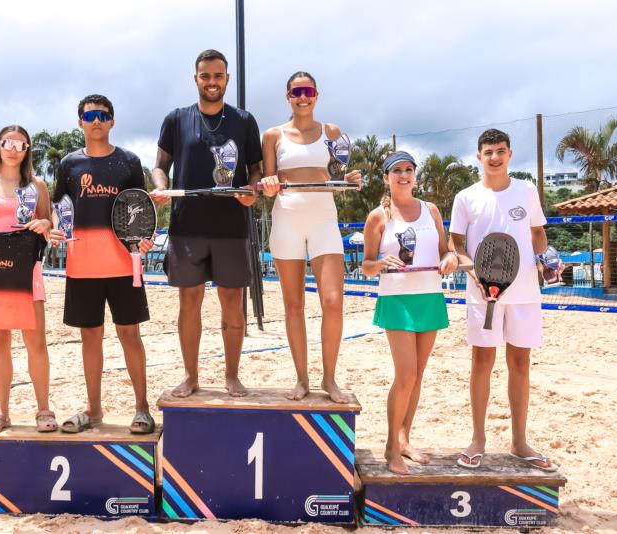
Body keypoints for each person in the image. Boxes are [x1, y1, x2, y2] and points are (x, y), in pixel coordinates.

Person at [150, 49, 262, 398]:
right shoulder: (176, 119)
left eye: (218, 76)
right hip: (188, 226)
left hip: (231, 226)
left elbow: (256, 170)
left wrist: (252, 190)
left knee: (232, 303)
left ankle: (232, 376)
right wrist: (160, 186)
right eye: (205, 76)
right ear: (196, 79)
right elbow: (160, 166)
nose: (212, 82)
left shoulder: (244, 120)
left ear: (227, 78)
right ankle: (191, 376)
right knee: (189, 303)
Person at [450, 129, 557, 471]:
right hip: (483, 294)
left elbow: (538, 234)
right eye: (488, 152)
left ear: (510, 154)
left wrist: (547, 257)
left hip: (524, 292)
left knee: (520, 364)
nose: (494, 157)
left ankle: (519, 442)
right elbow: (456, 243)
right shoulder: (466, 197)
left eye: (500, 151)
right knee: (482, 362)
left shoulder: (526, 190)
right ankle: (478, 440)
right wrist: (475, 276)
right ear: (478, 157)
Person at [52, 94, 155, 434]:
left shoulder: (129, 162)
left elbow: (142, 209)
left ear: (112, 121)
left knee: (130, 335)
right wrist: (54, 229)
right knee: (90, 337)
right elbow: (59, 207)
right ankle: (94, 410)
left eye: (102, 115)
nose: (96, 120)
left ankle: (142, 409)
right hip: (82, 266)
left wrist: (144, 239)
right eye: (89, 115)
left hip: (124, 264)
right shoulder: (68, 164)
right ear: (80, 122)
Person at [259, 71, 362, 403]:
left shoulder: (331, 131)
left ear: (316, 95)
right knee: (294, 306)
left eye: (308, 91)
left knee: (333, 302)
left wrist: (350, 180)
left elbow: (336, 176)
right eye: (296, 92)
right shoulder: (272, 135)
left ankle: (329, 379)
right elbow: (268, 182)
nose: (302, 97)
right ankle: (302, 378)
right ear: (287, 96)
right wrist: (268, 184)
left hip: (323, 219)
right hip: (287, 219)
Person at [361, 150, 457, 474]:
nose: (403, 175)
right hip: (397, 300)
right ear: (386, 177)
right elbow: (366, 266)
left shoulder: (431, 210)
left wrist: (450, 258)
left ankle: (404, 439)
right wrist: (380, 263)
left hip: (429, 296)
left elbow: (445, 251)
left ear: (415, 175)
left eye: (408, 170)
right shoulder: (378, 216)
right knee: (406, 376)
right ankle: (391, 448)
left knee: (417, 376)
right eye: (397, 170)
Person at [0, 125, 56, 435]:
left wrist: (44, 223)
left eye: (20, 144)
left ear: (27, 150)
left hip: (27, 270)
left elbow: (48, 224)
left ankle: (44, 408)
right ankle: (2, 411)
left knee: (36, 341)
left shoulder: (37, 184)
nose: (13, 149)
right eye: (7, 143)